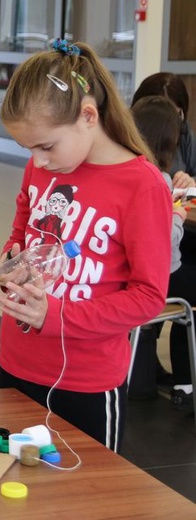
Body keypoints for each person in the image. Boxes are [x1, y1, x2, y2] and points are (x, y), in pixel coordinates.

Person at [0, 38, 172, 452]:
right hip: (17, 360)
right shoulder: (44, 168)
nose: (38, 162)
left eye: (46, 146)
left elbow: (148, 297)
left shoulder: (142, 186)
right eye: (29, 150)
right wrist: (10, 262)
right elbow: (22, 229)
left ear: (88, 116)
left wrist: (55, 315)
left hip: (87, 380)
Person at [132, 95, 195, 412]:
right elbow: (163, 243)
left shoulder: (126, 170)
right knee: (192, 296)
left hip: (125, 277)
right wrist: (178, 215)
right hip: (155, 279)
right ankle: (186, 383)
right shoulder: (158, 178)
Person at [131, 72, 196, 187]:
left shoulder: (184, 132)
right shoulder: (124, 137)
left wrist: (191, 182)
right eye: (163, 116)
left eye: (176, 115)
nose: (171, 124)